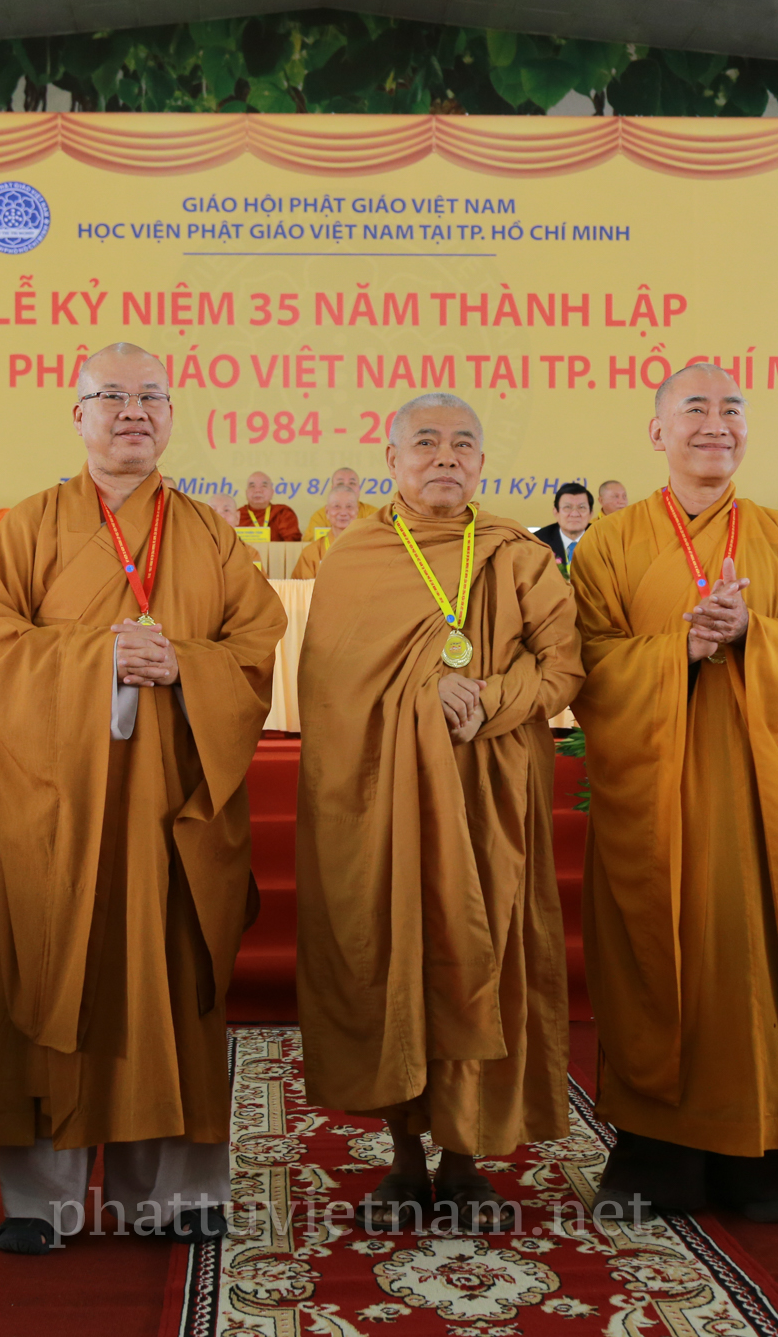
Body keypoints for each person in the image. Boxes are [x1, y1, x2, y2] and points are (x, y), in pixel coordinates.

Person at [0, 343, 286, 1255]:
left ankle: (176, 1194)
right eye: (112, 395)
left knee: (170, 982)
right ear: (79, 414)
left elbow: (257, 637)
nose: (133, 411)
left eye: (150, 396)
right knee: (54, 968)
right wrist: (95, 656)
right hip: (60, 802)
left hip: (175, 801)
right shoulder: (29, 526)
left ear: (171, 414)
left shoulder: (210, 532)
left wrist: (185, 662)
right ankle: (45, 1200)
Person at [571, 363, 778, 1224]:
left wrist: (754, 633)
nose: (715, 423)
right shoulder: (610, 543)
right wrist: (680, 649)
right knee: (661, 951)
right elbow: (586, 660)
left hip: (765, 792)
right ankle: (657, 1155)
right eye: (695, 407)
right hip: (658, 789)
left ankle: (766, 1157)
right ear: (659, 431)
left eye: (731, 408)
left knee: (766, 951)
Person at [298, 393, 581, 1231]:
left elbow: (564, 666)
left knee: (482, 953)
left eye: (463, 444)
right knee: (398, 951)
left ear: (484, 464)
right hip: (390, 801)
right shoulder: (354, 558)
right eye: (426, 442)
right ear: (392, 460)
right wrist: (423, 699)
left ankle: (465, 1161)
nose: (446, 456)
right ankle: (403, 1158)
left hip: (493, 795)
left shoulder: (518, 555)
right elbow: (331, 692)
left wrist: (486, 698)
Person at [290, 485, 361, 579]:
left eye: (349, 506)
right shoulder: (311, 553)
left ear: (357, 512)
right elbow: (301, 586)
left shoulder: (368, 550)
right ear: (327, 512)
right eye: (336, 506)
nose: (343, 512)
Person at [307, 467, 378, 538]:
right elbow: (310, 541)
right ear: (332, 488)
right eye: (340, 483)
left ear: (359, 488)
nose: (347, 487)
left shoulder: (374, 513)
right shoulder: (320, 516)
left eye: (352, 483)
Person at [532, 482, 593, 564]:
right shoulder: (538, 542)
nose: (574, 514)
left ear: (591, 513)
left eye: (582, 507)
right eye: (567, 507)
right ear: (556, 512)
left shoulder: (603, 539)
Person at [237, 472, 302, 541]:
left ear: (272, 492)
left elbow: (292, 543)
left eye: (264, 486)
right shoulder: (238, 515)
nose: (257, 490)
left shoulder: (283, 513)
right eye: (252, 486)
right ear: (246, 492)